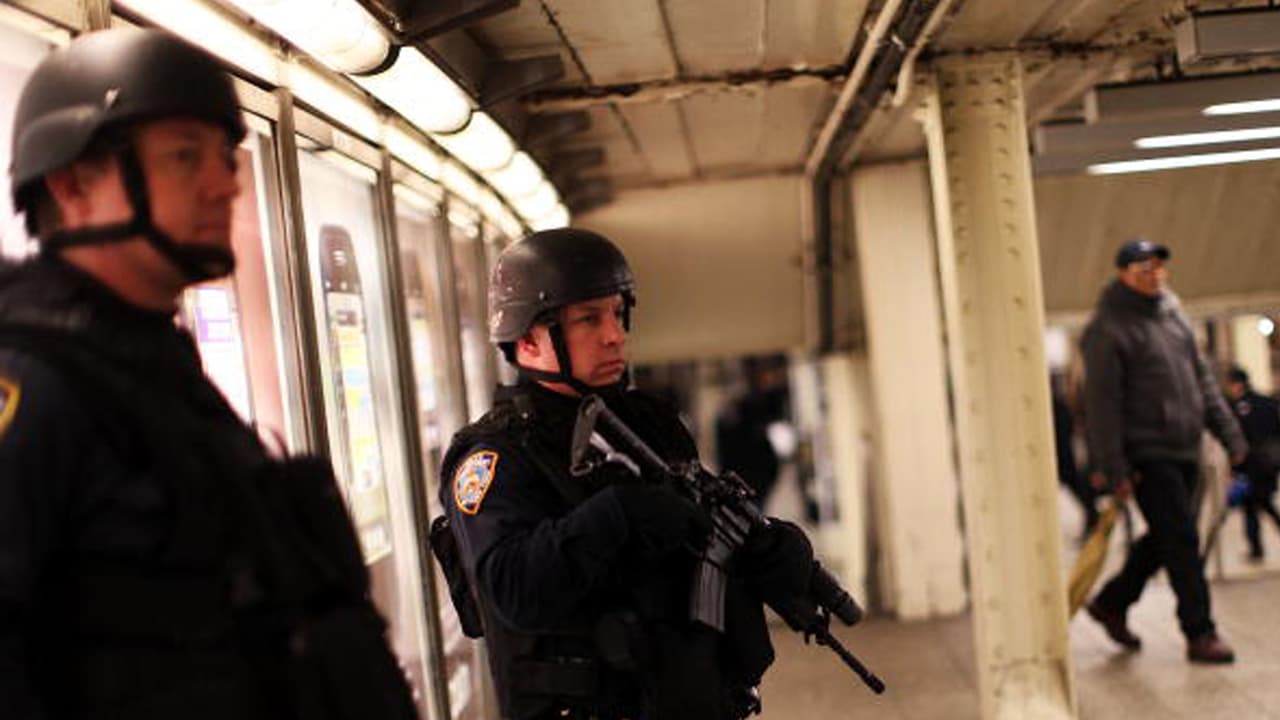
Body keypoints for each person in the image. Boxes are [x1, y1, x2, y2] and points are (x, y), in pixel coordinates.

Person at [0, 29, 414, 719]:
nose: (226, 184)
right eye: (185, 157)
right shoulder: (34, 384)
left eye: (226, 157)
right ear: (72, 184)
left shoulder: (153, 371)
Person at [436, 228, 814, 720]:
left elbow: (696, 534)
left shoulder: (649, 422)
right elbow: (512, 590)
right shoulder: (496, 457)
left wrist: (764, 547)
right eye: (589, 319)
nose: (614, 334)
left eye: (617, 313)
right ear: (528, 338)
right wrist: (614, 515)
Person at [1080, 238, 1247, 664]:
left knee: (1167, 536)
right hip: (1147, 455)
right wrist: (1114, 468)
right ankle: (1199, 631)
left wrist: (1230, 435)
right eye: (1143, 269)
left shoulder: (1174, 318)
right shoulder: (1108, 329)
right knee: (1182, 540)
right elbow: (1102, 406)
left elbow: (1202, 383)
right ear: (1123, 275)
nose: (1154, 275)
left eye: (1158, 267)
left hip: (1186, 448)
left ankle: (1112, 602)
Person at [1224, 365, 1280, 561]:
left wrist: (1235, 467)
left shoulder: (1239, 408)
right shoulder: (1268, 403)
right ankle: (1256, 549)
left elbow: (1238, 438)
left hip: (1251, 465)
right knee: (1263, 504)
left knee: (1253, 507)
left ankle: (1256, 550)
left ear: (1237, 384)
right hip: (1269, 463)